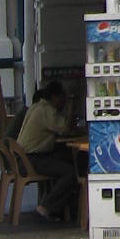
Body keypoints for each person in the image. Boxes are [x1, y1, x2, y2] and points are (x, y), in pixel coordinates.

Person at [16, 78, 78, 221]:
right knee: (69, 173)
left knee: (61, 162)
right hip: (32, 159)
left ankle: (56, 210)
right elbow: (64, 129)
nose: (62, 102)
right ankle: (46, 206)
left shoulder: (35, 107)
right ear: (55, 97)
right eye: (62, 98)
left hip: (23, 158)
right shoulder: (47, 111)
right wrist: (70, 108)